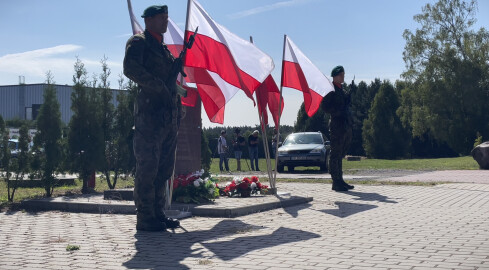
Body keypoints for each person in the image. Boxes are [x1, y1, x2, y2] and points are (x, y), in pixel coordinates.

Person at [123, 5, 181, 231]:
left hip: (168, 116)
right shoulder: (139, 42)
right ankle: (145, 218)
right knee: (148, 168)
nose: (166, 21)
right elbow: (130, 68)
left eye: (167, 17)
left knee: (163, 169)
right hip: (149, 117)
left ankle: (158, 214)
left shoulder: (164, 48)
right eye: (161, 18)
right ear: (148, 20)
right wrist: (157, 86)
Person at [321, 65, 355, 192]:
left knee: (341, 153)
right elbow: (325, 106)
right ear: (335, 76)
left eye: (343, 74)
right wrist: (337, 112)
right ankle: (335, 181)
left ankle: (340, 180)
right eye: (341, 75)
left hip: (344, 124)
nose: (343, 77)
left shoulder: (341, 89)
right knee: (335, 154)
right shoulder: (331, 90)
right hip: (336, 125)